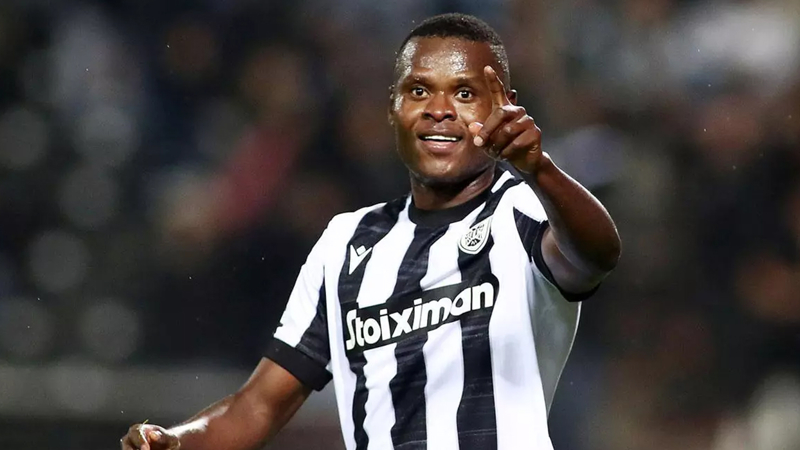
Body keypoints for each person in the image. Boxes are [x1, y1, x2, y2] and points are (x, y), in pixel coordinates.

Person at [120, 13, 621, 450]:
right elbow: (259, 406)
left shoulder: (525, 207)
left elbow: (596, 254)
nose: (439, 108)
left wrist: (540, 169)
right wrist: (176, 442)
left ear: (503, 106)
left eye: (465, 93)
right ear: (392, 107)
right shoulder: (345, 242)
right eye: (418, 90)